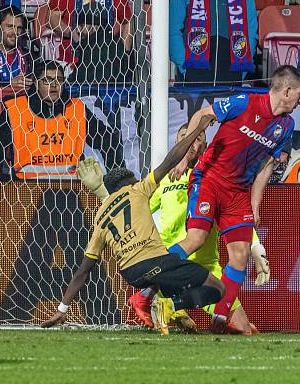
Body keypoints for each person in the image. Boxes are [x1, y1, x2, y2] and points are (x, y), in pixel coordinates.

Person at [40, 115, 227, 335]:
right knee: (217, 288)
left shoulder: (101, 217)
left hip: (131, 275)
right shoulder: (138, 190)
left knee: (171, 279)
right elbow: (170, 160)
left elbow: (83, 270)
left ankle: (170, 308)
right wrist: (197, 131)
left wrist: (63, 308)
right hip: (156, 262)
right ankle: (170, 307)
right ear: (129, 182)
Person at [166, 66, 300, 332]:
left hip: (239, 192)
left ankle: (219, 319)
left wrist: (255, 204)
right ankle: (149, 292)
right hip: (209, 179)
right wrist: (185, 157)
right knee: (195, 239)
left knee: (241, 255)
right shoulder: (244, 102)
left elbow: (266, 165)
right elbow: (203, 114)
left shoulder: (286, 127)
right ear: (286, 91)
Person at [119, 123, 268, 335]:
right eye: (186, 137)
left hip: (206, 265)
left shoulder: (214, 177)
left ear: (206, 145)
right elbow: (135, 211)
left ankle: (170, 306)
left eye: (198, 138)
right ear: (178, 143)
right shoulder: (163, 181)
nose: (191, 142)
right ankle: (160, 299)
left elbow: (233, 215)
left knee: (245, 329)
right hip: (172, 262)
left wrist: (254, 243)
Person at [0, 60, 123, 180]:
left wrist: (114, 181)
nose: (54, 85)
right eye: (47, 80)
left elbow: (108, 142)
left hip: (71, 190)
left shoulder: (76, 109)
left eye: (59, 80)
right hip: (26, 191)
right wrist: (2, 184)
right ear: (36, 84)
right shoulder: (16, 110)